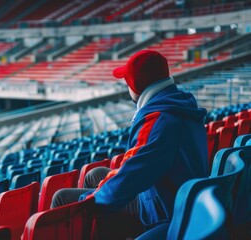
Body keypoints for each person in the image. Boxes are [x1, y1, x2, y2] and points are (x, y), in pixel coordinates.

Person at [51, 50, 209, 239]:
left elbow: (131, 177)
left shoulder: (157, 119)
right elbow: (137, 166)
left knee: (62, 198)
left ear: (136, 85)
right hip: (178, 195)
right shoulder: (178, 104)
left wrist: (89, 200)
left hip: (164, 210)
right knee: (95, 175)